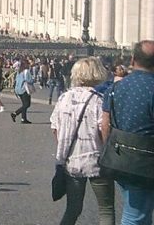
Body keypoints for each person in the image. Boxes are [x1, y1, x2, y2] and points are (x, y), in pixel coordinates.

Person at [50, 57, 113, 225]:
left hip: (72, 162)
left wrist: (67, 149)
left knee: (73, 209)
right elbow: (104, 129)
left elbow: (55, 129)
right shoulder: (100, 99)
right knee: (106, 209)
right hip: (97, 160)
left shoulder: (64, 98)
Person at [100, 40, 154, 225]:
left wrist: (110, 151)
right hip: (146, 162)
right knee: (136, 216)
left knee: (139, 213)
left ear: (132, 59)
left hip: (122, 159)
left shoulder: (115, 88)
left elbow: (105, 125)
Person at [11, 59, 35, 124]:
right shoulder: (26, 71)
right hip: (24, 89)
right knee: (27, 104)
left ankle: (23, 119)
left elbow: (16, 81)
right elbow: (28, 80)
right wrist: (33, 80)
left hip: (18, 89)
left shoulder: (19, 71)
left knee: (24, 104)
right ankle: (15, 113)